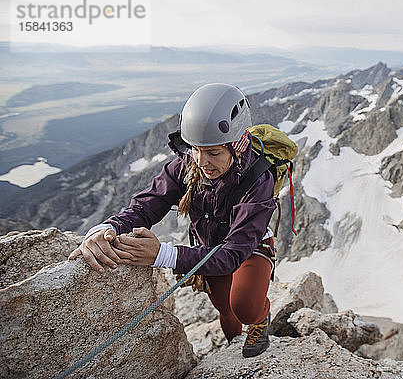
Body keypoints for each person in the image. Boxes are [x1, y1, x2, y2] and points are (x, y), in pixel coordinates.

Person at [69, 83, 277, 358]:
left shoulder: (258, 179)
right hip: (209, 247)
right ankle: (231, 351)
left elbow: (233, 253)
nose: (202, 162)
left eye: (214, 153)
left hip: (247, 249)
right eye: (195, 149)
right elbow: (147, 205)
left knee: (244, 306)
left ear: (237, 147)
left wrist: (163, 255)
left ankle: (261, 318)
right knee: (225, 309)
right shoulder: (186, 164)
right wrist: (108, 228)